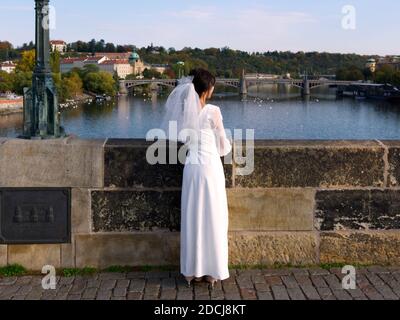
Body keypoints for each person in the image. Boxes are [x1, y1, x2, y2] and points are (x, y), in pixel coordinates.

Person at [161, 68, 232, 290]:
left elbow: (182, 139)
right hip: (210, 168)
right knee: (213, 218)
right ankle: (212, 272)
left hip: (192, 168)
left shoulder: (186, 112)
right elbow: (223, 146)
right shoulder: (213, 111)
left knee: (193, 218)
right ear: (208, 89)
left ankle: (192, 271)